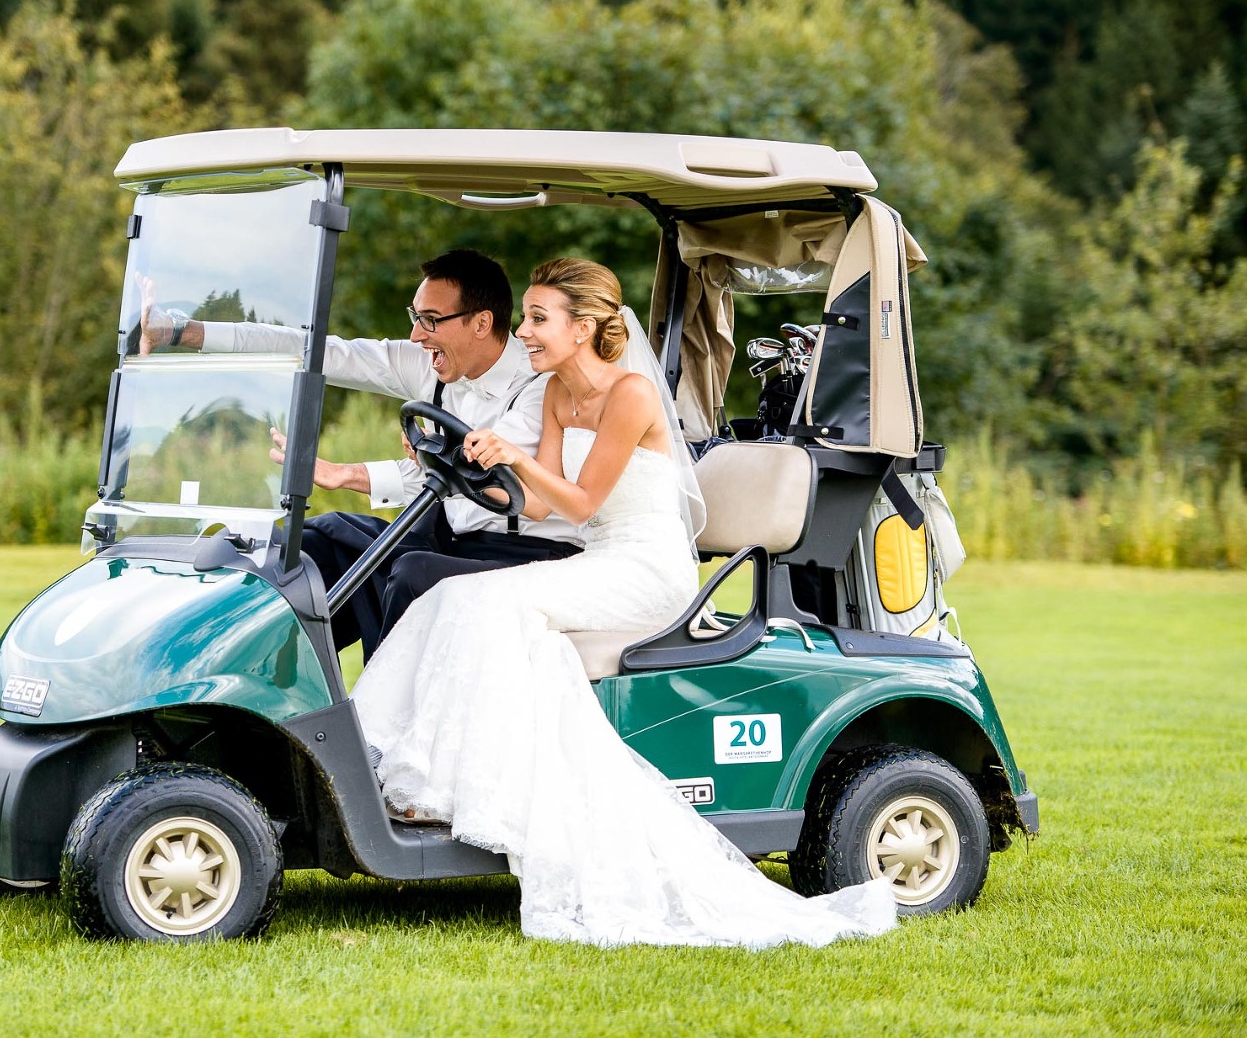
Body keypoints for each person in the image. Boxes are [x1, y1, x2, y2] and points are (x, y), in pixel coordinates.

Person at [352, 258, 898, 949]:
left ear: (583, 327)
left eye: (538, 319)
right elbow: (542, 503)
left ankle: (437, 782)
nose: (525, 331)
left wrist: (512, 459)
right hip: (599, 555)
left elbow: (583, 501)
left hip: (646, 565)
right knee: (449, 596)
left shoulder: (631, 395)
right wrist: (471, 468)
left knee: (479, 605)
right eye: (526, 317)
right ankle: (392, 763)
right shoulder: (554, 393)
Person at [140, 249, 582, 658]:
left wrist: (369, 470)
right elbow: (319, 351)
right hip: (451, 537)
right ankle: (257, 675)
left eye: (430, 320)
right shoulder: (429, 363)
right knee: (320, 539)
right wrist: (183, 331)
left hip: (525, 550)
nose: (415, 334)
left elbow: (477, 476)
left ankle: (379, 714)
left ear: (481, 323)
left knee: (410, 570)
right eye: (416, 316)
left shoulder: (539, 386)